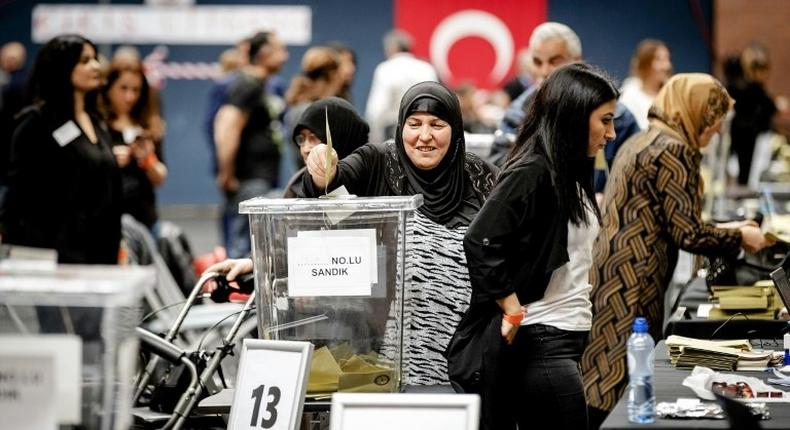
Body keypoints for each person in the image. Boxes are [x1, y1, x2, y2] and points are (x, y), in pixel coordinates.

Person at [581, 74, 770, 428]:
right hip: (634, 280)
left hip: (613, 273)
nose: (713, 135)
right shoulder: (674, 149)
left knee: (601, 376)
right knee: (621, 382)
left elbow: (666, 216)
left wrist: (729, 228)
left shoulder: (644, 139)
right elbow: (687, 233)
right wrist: (741, 238)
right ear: (697, 113)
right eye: (712, 127)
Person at [457, 63, 617, 430]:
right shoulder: (534, 170)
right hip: (543, 339)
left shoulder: (568, 171)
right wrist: (511, 307)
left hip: (562, 337)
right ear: (575, 118)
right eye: (604, 120)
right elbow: (480, 238)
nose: (610, 133)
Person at [1, 34, 121, 264]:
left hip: (101, 253)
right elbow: (17, 196)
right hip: (56, 255)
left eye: (95, 58)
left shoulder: (96, 121)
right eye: (84, 60)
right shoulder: (36, 123)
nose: (95, 66)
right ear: (63, 66)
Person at [487, 22, 640, 195]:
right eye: (537, 62)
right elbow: (498, 175)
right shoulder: (517, 116)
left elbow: (639, 173)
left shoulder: (619, 117)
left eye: (554, 61)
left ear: (577, 60)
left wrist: (610, 199)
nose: (544, 71)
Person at [214, 31, 289, 258]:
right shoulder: (248, 84)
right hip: (249, 182)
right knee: (243, 252)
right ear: (265, 54)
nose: (285, 56)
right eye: (280, 50)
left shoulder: (260, 85)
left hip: (260, 180)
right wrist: (226, 174)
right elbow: (225, 126)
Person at [100, 64, 167, 234]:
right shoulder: (97, 124)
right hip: (107, 218)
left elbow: (160, 178)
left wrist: (148, 159)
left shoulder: (148, 126)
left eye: (136, 90)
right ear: (109, 88)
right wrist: (109, 159)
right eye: (123, 88)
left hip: (145, 218)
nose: (129, 96)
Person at [283, 96, 369, 197]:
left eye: (314, 137)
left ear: (340, 137)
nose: (305, 149)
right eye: (301, 139)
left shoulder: (376, 179)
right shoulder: (296, 187)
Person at [365, 30, 438, 144]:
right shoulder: (426, 68)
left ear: (392, 47)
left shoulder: (385, 69)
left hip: (394, 133)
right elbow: (436, 102)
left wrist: (374, 139)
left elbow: (376, 109)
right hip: (425, 130)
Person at [727, 43, 778, 185]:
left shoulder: (755, 89)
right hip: (745, 136)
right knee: (746, 174)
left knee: (753, 174)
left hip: (754, 136)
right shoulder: (742, 87)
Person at [619, 39, 673, 130]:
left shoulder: (672, 94)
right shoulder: (629, 94)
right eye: (659, 60)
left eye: (668, 59)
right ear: (645, 63)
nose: (667, 66)